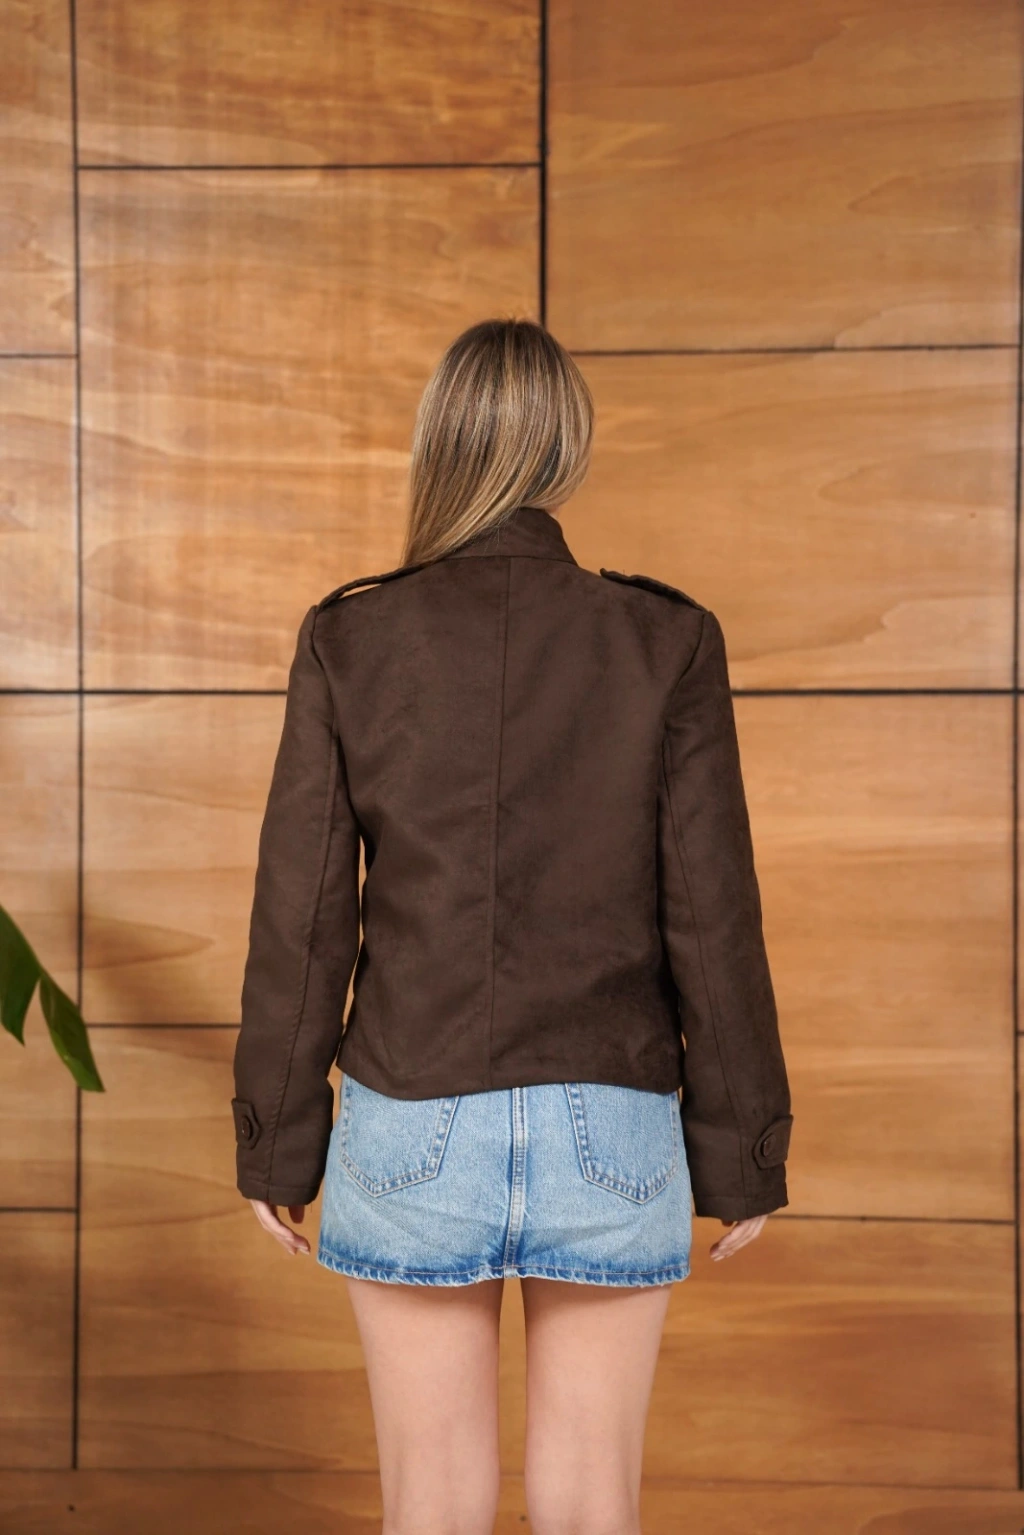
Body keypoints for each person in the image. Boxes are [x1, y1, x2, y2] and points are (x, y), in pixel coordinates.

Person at [231, 316, 793, 1535]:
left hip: (410, 1116)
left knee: (431, 1507)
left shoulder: (350, 636)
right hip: (613, 1123)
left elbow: (303, 912)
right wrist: (744, 1142)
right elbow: (712, 910)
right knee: (592, 1505)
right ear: (566, 448)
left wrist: (275, 1141)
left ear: (439, 442)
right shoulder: (666, 638)